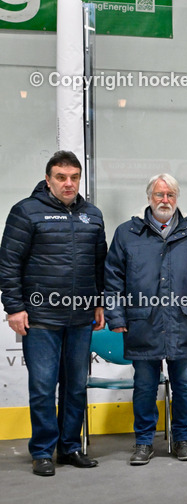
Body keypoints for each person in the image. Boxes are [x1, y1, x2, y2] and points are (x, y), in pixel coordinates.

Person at [0, 151, 106, 477]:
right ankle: (43, 451)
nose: (68, 183)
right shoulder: (26, 212)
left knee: (75, 386)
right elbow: (9, 264)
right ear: (48, 180)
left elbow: (99, 265)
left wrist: (99, 302)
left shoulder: (93, 215)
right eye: (61, 177)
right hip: (41, 317)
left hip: (80, 318)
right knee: (44, 387)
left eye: (74, 177)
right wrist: (14, 307)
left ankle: (70, 447)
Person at [104, 174, 187, 465]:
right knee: (144, 386)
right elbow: (113, 279)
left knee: (184, 385)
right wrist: (116, 315)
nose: (164, 200)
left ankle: (182, 439)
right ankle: (143, 442)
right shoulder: (127, 233)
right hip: (142, 324)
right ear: (149, 198)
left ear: (177, 198)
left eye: (170, 195)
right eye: (159, 195)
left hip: (183, 324)